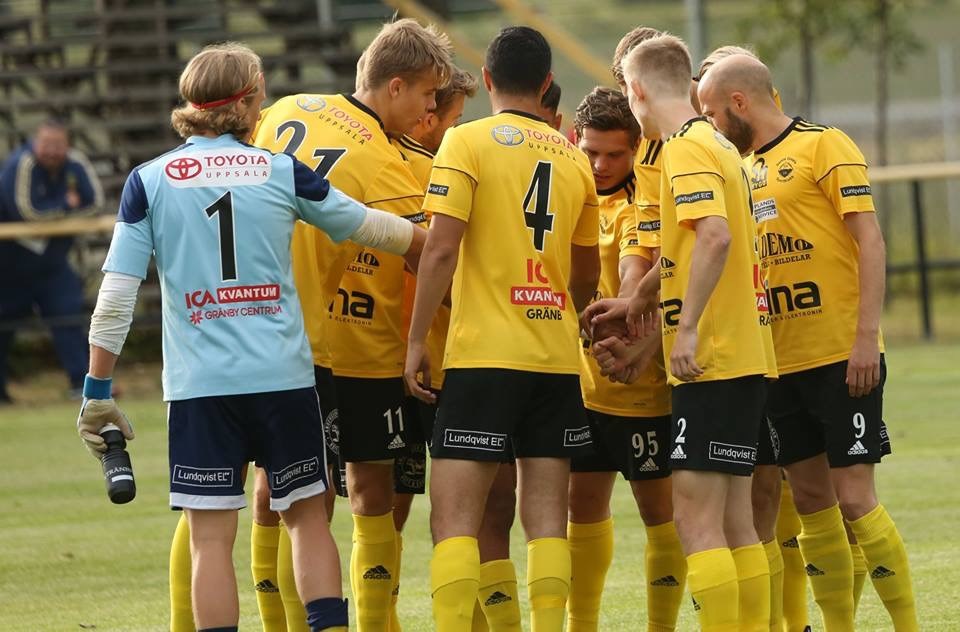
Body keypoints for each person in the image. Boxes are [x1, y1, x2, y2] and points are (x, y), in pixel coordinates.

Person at [75, 43, 425, 632]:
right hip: (284, 378)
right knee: (307, 521)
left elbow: (114, 301)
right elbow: (366, 226)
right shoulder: (280, 170)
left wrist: (97, 391)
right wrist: (430, 244)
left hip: (201, 387)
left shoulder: (148, 180)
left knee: (211, 540)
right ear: (247, 102)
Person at [698, 54, 917, 632]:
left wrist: (865, 338)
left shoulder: (824, 146)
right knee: (815, 506)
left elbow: (870, 241)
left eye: (712, 113)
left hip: (841, 356)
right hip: (778, 362)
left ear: (739, 102)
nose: (711, 124)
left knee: (856, 500)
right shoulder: (740, 169)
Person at [252, 18, 453, 632]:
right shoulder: (382, 161)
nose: (428, 111)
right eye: (426, 96)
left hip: (250, 324)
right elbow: (428, 255)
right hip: (319, 342)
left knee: (268, 493)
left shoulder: (287, 107)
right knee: (350, 497)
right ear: (395, 86)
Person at [403, 26, 600, 632]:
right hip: (553, 359)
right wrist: (557, 312)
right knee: (547, 522)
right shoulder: (575, 157)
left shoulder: (464, 141)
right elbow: (587, 273)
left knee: (454, 523)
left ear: (486, 78)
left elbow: (440, 249)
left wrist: (415, 341)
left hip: (483, 357)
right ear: (547, 84)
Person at [584, 33, 778, 631]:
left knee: (695, 522)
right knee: (738, 523)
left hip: (712, 357)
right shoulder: (716, 142)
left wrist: (686, 329)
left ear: (637, 90)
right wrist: (639, 298)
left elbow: (715, 236)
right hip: (746, 355)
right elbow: (685, 248)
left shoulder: (685, 147)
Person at [566, 86, 685, 632]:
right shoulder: (566, 193)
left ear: (636, 148)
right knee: (581, 510)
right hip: (581, 387)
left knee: (661, 517)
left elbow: (639, 267)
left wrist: (630, 317)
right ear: (575, 139)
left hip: (645, 387)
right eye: (591, 151)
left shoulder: (648, 201)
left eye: (615, 154)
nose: (601, 164)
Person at [0, 119, 103, 402]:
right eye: (46, 144)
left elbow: (94, 203)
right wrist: (66, 206)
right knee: (4, 327)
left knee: (68, 317)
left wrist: (57, 212)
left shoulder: (75, 163)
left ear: (67, 145)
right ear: (36, 143)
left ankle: (83, 386)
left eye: (58, 145)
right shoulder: (22, 165)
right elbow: (27, 213)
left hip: (52, 265)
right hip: (9, 267)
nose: (52, 152)